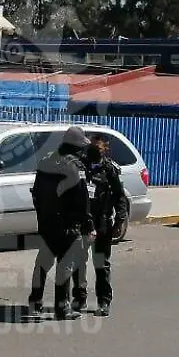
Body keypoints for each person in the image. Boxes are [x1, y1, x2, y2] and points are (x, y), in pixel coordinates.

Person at [28, 126, 95, 320]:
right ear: (77, 147)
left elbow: (36, 194)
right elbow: (83, 202)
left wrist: (43, 217)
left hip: (48, 223)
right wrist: (89, 226)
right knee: (65, 265)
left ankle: (35, 302)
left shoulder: (46, 161)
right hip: (68, 225)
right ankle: (62, 308)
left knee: (42, 263)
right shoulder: (76, 167)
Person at [70, 134, 128, 317]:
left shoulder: (109, 170)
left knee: (101, 264)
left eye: (98, 146)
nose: (93, 149)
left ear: (105, 148)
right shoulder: (80, 165)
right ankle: (79, 298)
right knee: (78, 263)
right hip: (82, 223)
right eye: (91, 145)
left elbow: (119, 196)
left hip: (102, 222)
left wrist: (120, 219)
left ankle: (104, 301)